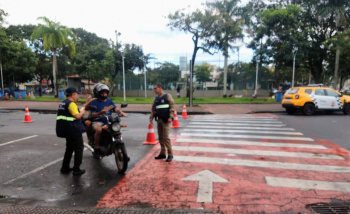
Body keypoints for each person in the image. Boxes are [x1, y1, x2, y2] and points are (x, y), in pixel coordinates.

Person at [85, 84, 127, 155]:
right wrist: (100, 112)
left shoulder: (109, 101)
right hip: (98, 121)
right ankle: (97, 146)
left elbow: (115, 108)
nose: (104, 94)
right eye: (102, 93)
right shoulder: (94, 102)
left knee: (116, 130)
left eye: (105, 93)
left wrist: (121, 112)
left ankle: (120, 149)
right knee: (99, 130)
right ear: (98, 94)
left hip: (108, 121)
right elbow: (93, 114)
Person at [56, 87, 86, 176]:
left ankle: (65, 167)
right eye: (77, 94)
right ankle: (76, 169)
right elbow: (77, 116)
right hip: (73, 129)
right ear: (73, 94)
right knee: (79, 148)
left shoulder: (63, 103)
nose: (77, 96)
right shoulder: (71, 104)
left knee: (69, 148)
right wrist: (82, 113)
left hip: (66, 129)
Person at [149, 83, 175, 162]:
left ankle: (170, 154)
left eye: (155, 88)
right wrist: (151, 119)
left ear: (160, 88)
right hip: (159, 120)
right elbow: (153, 109)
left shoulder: (167, 96)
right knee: (160, 138)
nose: (154, 90)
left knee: (166, 137)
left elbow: (172, 106)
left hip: (166, 120)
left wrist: (171, 116)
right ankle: (162, 153)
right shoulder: (156, 99)